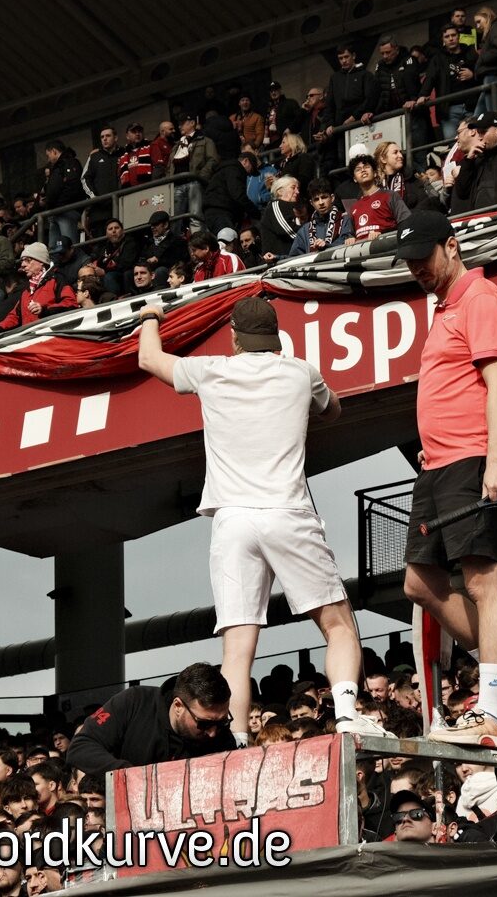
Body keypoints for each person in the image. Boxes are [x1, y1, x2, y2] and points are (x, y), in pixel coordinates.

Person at [137, 296, 389, 744]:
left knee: (237, 645)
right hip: (287, 511)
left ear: (234, 337)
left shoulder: (211, 370)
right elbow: (333, 409)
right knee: (337, 624)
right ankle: (348, 714)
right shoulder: (300, 370)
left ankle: (233, 737)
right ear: (273, 337)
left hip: (232, 519)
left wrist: (152, 315)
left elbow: (148, 358)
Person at [396, 211, 497, 749]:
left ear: (451, 247)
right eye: (410, 263)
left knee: (484, 582)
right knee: (418, 584)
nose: (418, 270)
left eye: (424, 258)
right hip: (436, 467)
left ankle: (494, 711)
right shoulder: (446, 307)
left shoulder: (480, 298)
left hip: (472, 459)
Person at [64, 663, 235, 776]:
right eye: (203, 723)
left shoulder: (223, 738)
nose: (213, 732)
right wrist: (132, 776)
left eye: (222, 722)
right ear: (178, 706)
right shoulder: (134, 702)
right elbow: (80, 747)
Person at [344, 153, 410, 241]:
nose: (363, 170)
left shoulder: (390, 195)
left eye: (366, 167)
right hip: (362, 253)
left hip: (388, 248)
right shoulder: (354, 207)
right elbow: (351, 234)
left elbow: (406, 222)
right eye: (358, 169)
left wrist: (383, 233)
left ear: (375, 173)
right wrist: (350, 238)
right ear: (355, 179)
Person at [289, 179, 354, 256]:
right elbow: (293, 257)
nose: (321, 203)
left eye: (324, 197)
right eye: (316, 199)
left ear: (332, 198)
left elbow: (346, 241)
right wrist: (277, 258)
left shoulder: (345, 220)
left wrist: (326, 246)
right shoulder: (304, 230)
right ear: (311, 203)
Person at [257, 176, 302, 263]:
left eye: (298, 188)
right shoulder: (276, 205)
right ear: (280, 191)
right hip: (277, 263)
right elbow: (286, 230)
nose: (297, 192)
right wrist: (308, 238)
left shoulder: (294, 208)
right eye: (293, 188)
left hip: (292, 259)